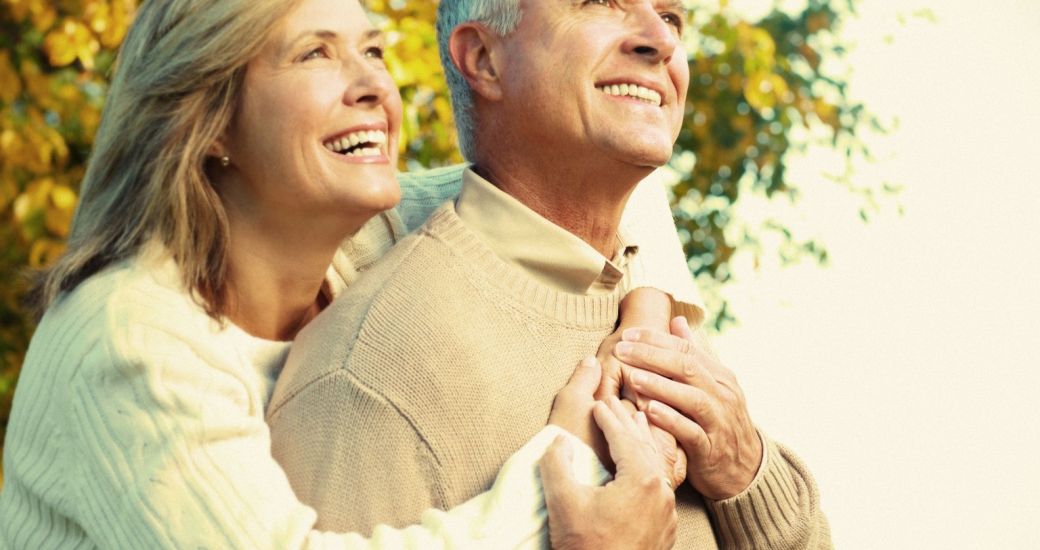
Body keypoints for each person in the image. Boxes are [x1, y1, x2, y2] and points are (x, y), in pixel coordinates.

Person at [0, 0, 700, 547]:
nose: (373, 85)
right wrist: (566, 471)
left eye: (372, 51)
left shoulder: (357, 239)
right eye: (315, 55)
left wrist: (636, 350)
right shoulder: (130, 340)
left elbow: (608, 181)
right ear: (208, 121)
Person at [267, 0, 833, 547]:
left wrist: (746, 473)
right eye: (597, 1)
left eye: (670, 16)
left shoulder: (658, 321)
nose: (660, 40)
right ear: (485, 59)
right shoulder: (372, 374)